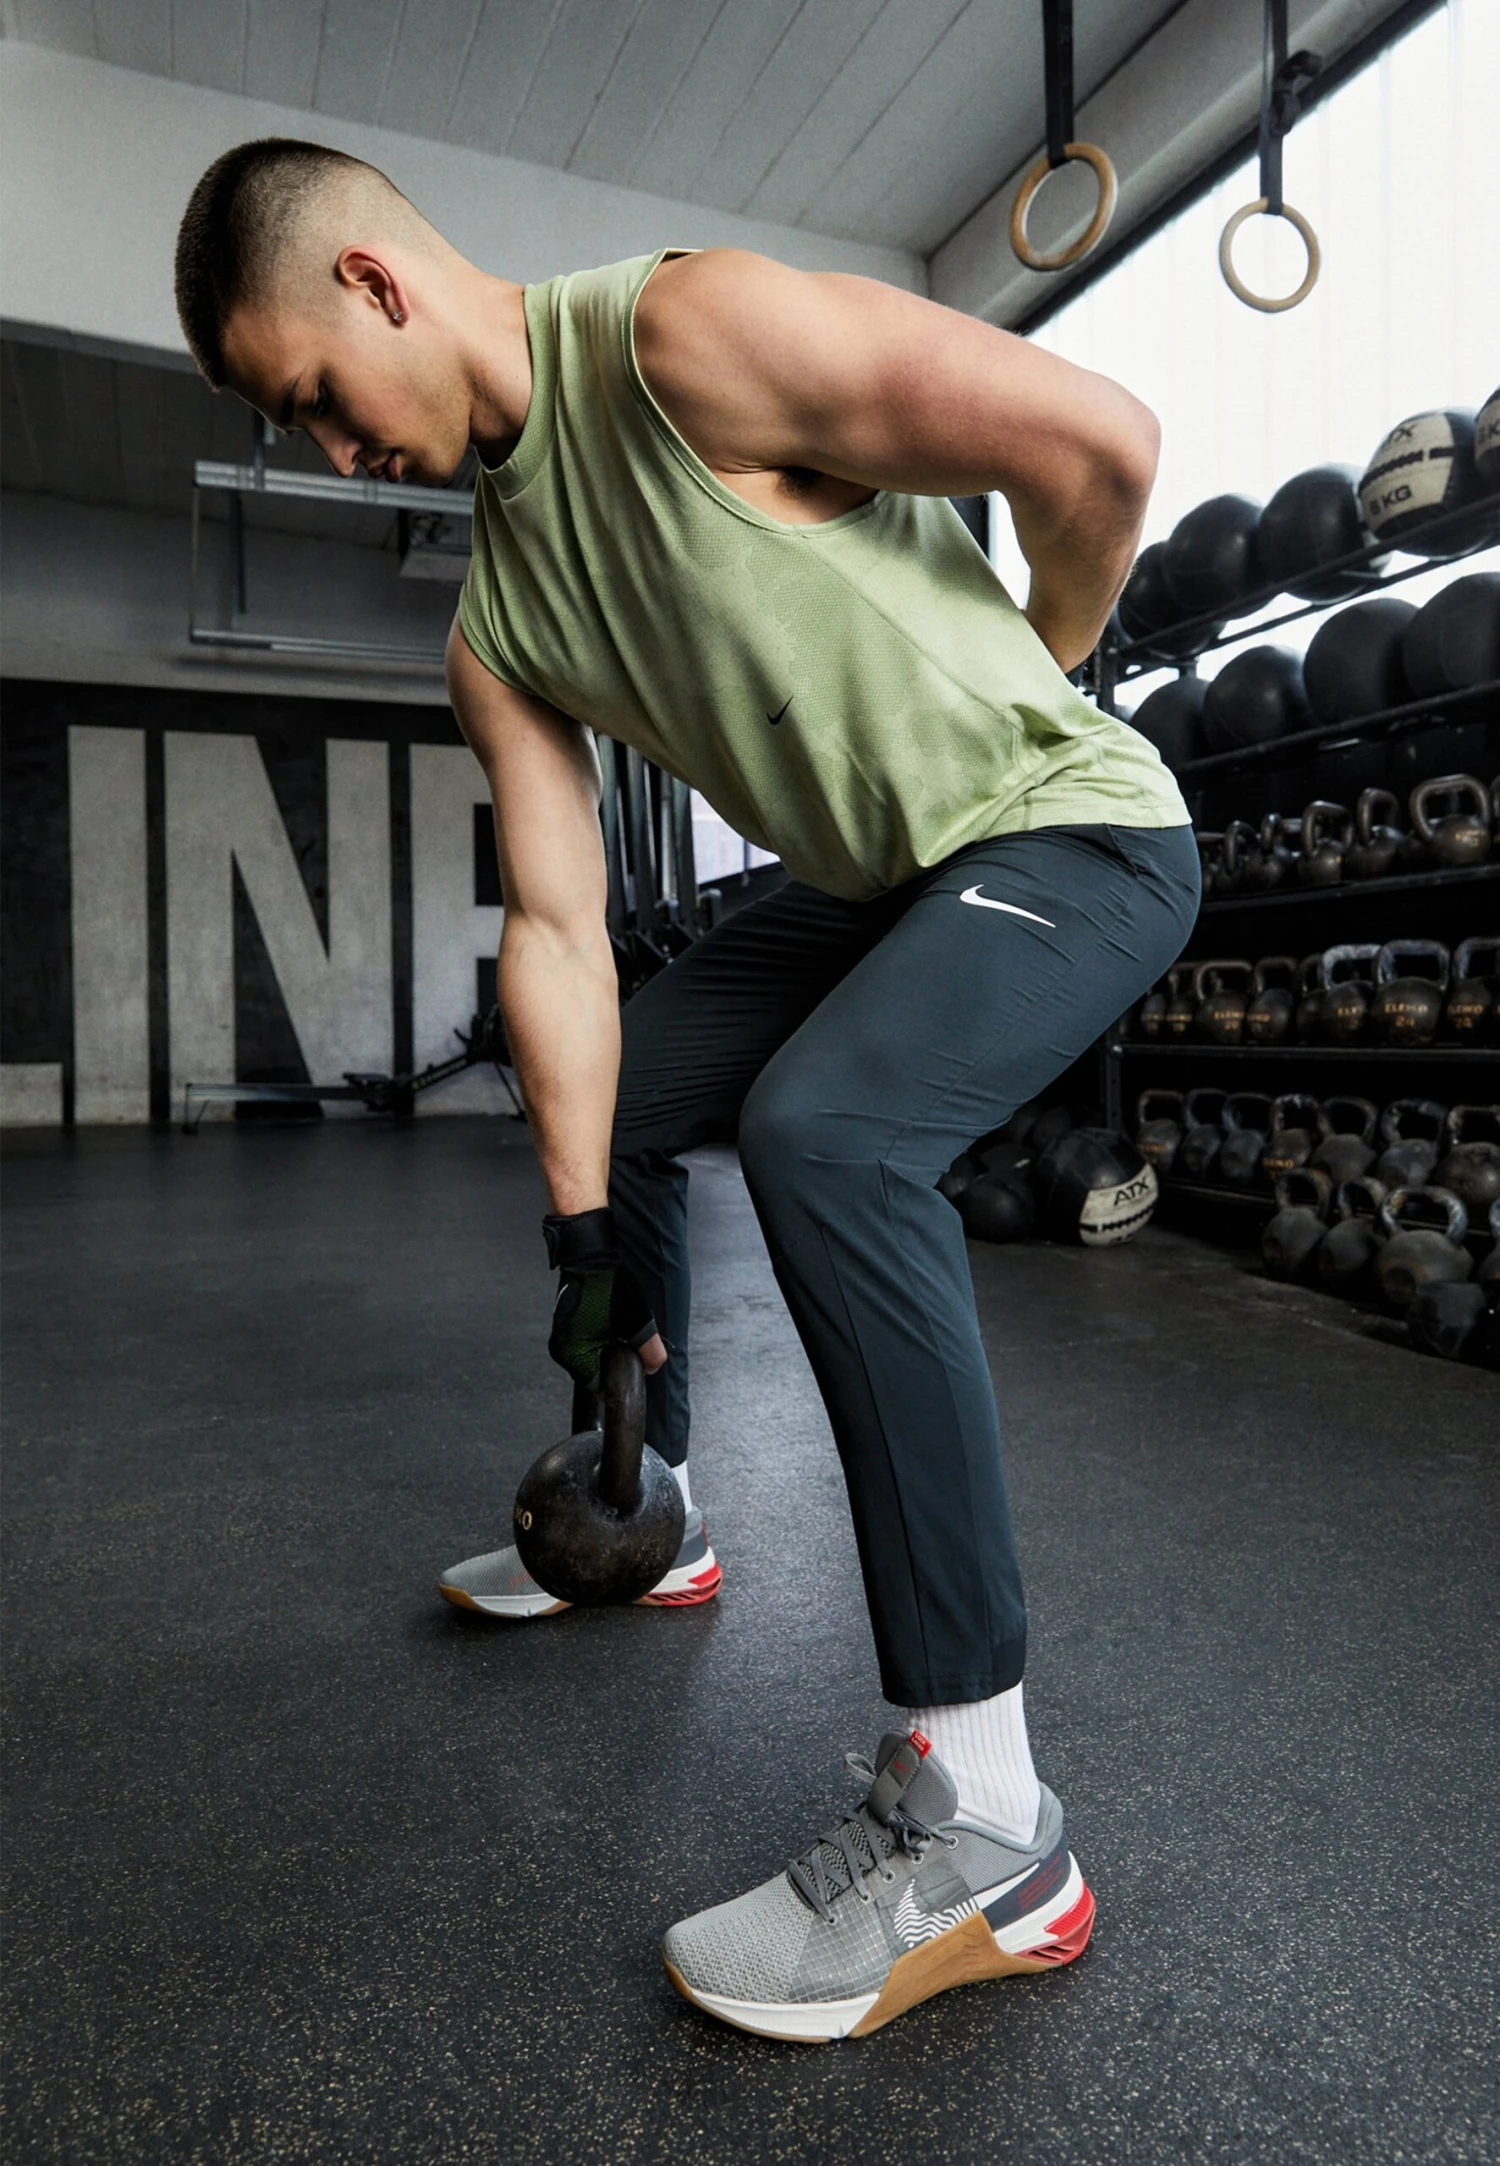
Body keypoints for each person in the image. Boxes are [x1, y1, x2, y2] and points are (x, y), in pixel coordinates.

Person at [174, 138, 1198, 2044]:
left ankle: (989, 1819)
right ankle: (650, 1500)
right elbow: (561, 935)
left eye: (312, 394)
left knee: (830, 1137)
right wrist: (586, 1238)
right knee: (632, 1097)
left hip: (1075, 827)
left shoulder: (680, 340)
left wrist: (1030, 686)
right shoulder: (499, 626)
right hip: (878, 877)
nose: (328, 451)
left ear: (377, 285)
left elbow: (1099, 444)